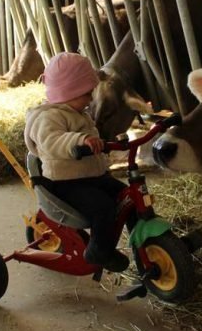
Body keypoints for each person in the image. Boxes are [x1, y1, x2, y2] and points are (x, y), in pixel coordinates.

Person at [24, 52, 130, 273]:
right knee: (104, 208)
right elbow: (51, 141)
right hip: (66, 183)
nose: (91, 98)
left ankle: (141, 238)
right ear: (68, 92)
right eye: (86, 93)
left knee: (128, 197)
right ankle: (99, 251)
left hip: (90, 176)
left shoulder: (77, 111)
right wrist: (80, 140)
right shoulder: (49, 117)